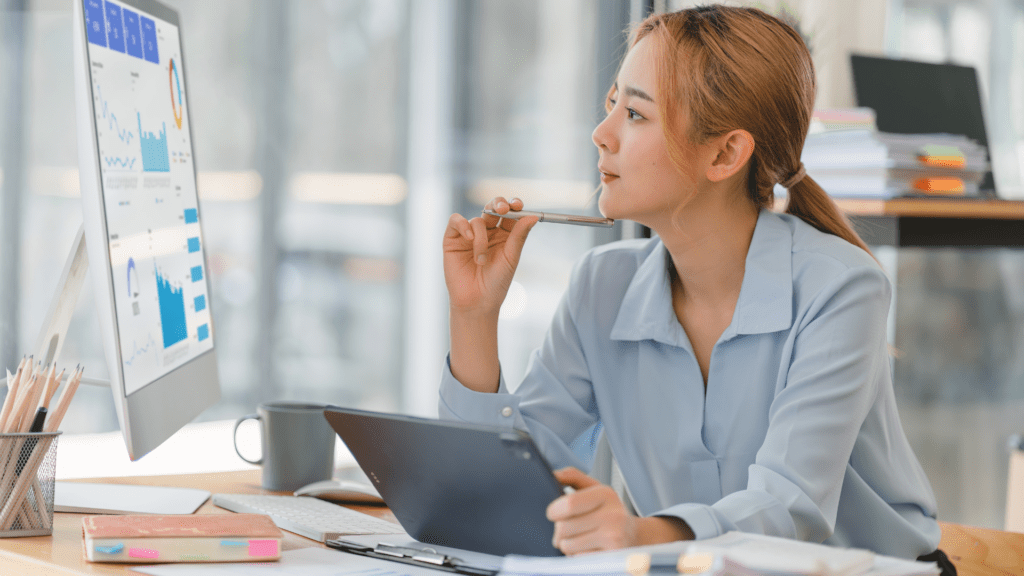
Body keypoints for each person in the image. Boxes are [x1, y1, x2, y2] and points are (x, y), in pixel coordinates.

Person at [439, 3, 947, 568]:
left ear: (726, 153)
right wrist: (473, 315)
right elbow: (506, 488)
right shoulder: (601, 285)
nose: (601, 134)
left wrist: (636, 534)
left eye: (635, 114)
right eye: (612, 104)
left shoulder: (842, 287)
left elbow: (788, 507)